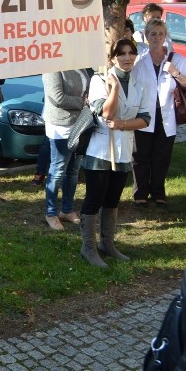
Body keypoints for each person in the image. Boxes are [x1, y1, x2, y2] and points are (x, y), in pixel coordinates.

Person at [79, 39, 151, 268]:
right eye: (121, 54)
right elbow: (106, 113)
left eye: (131, 53)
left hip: (123, 151)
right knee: (94, 198)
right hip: (100, 150)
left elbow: (145, 119)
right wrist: (116, 88)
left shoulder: (141, 83)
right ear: (112, 57)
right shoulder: (99, 80)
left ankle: (107, 244)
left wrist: (122, 124)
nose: (127, 58)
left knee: (112, 200)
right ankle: (88, 247)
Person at [133, 18, 186, 207]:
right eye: (153, 34)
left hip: (166, 117)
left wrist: (175, 73)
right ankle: (140, 193)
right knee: (141, 157)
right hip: (144, 117)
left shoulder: (177, 59)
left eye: (160, 33)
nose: (157, 37)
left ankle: (158, 192)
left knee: (161, 157)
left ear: (165, 36)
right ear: (146, 36)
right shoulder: (139, 60)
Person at [41, 68, 92, 230]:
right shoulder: (52, 68)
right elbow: (57, 97)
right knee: (58, 171)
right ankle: (50, 213)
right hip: (60, 125)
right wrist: (82, 103)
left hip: (79, 123)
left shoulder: (81, 66)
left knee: (73, 171)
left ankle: (67, 210)